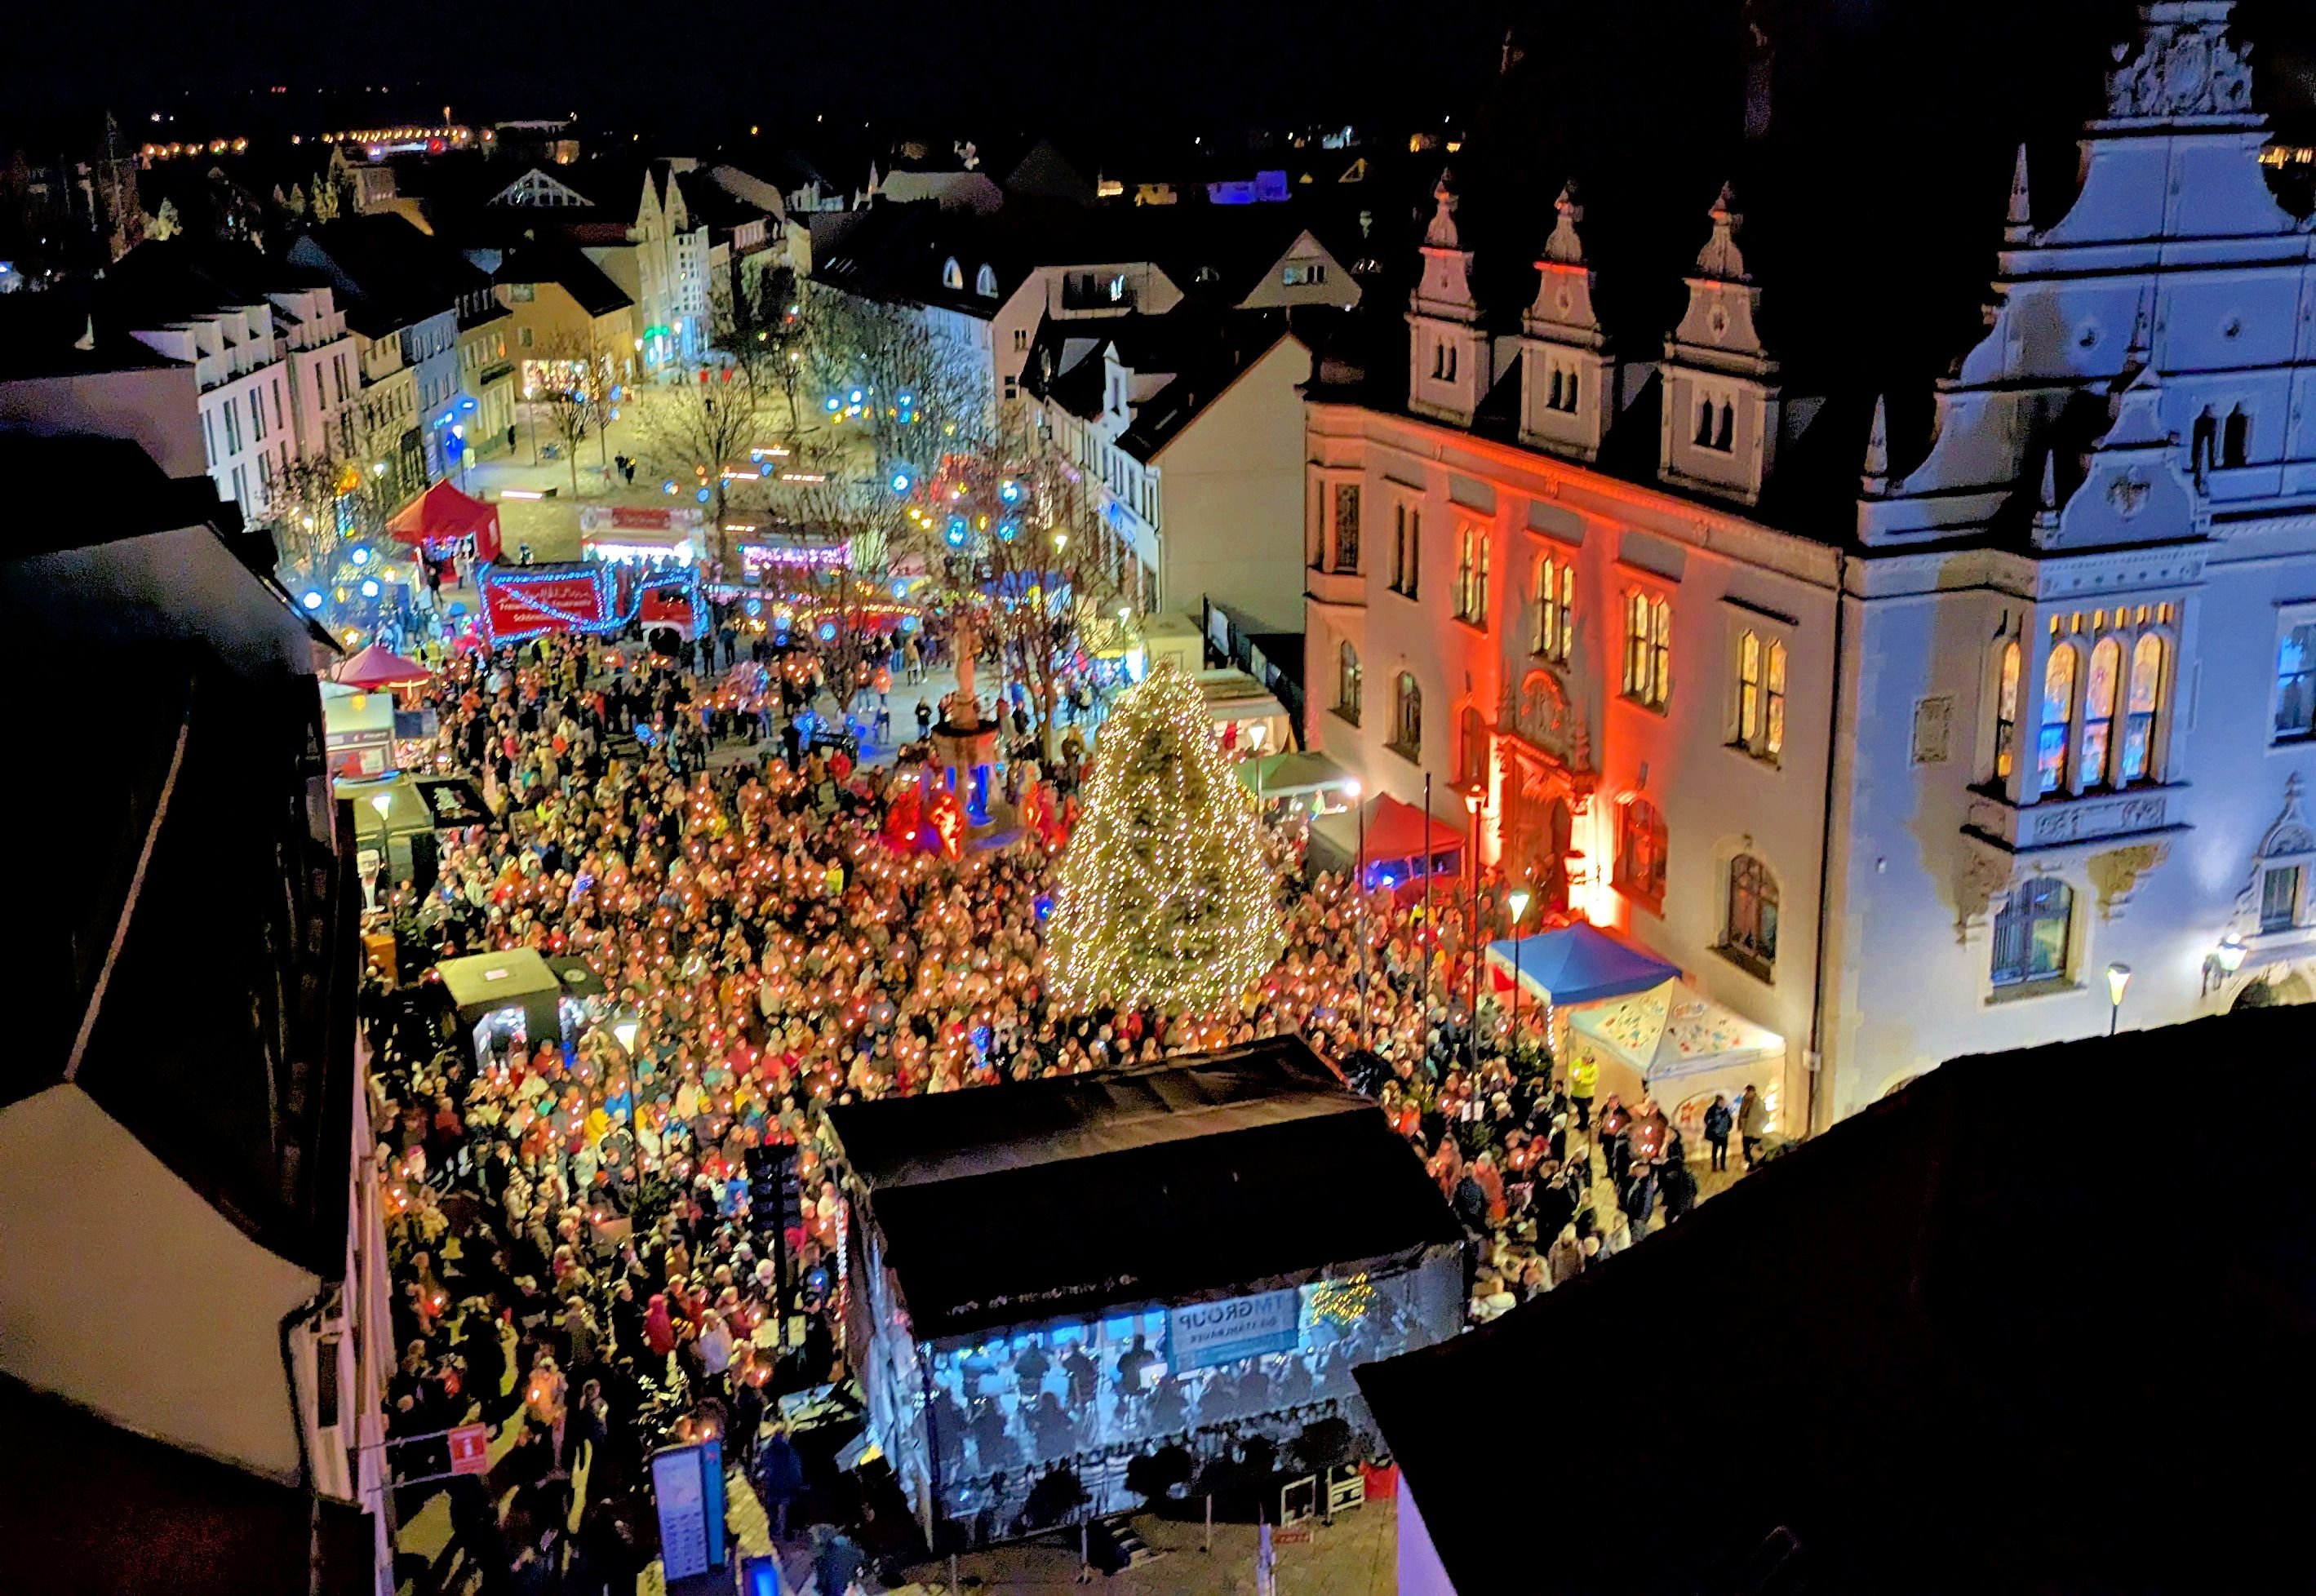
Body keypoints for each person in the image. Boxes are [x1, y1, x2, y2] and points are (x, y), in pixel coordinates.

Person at [1737, 1082, 1768, 1168]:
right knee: (1746, 1148)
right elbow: (1741, 1114)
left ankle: (1761, 1162)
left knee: (1758, 1148)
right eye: (1746, 1091)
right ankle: (1750, 1163)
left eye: (1748, 1091)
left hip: (1755, 1130)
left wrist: (1759, 1126)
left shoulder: (1759, 1103)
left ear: (1753, 1092)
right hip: (1746, 1129)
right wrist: (1740, 1124)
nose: (1747, 1093)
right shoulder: (1744, 1100)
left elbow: (1765, 1117)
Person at [1703, 1093, 1733, 1172]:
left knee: (1724, 1151)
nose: (1722, 1103)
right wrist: (1719, 1117)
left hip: (1724, 1134)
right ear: (1717, 1102)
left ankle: (1723, 1166)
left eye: (1723, 1102)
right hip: (1716, 1134)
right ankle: (1714, 1166)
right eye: (1721, 1102)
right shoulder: (1712, 1110)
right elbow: (1707, 1121)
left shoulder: (1725, 1110)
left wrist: (1729, 1127)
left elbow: (1729, 1120)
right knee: (1715, 1151)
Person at [1568, 1051, 1597, 1130]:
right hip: (1577, 1092)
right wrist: (1572, 1075)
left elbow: (1593, 1080)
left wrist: (1582, 1080)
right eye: (1583, 1058)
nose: (1583, 1060)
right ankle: (1582, 1122)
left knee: (1584, 1111)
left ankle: (1584, 1125)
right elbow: (1571, 1068)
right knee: (1581, 1110)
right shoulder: (1578, 1061)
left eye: (1585, 1058)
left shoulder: (1594, 1067)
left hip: (1586, 1094)